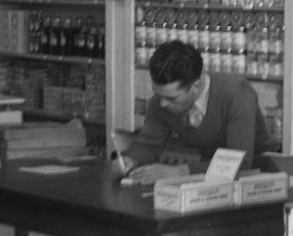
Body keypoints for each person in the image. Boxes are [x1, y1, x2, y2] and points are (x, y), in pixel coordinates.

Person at [114, 40, 271, 183]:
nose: (162, 103)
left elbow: (239, 163)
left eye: (172, 98)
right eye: (158, 94)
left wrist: (178, 172)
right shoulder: (161, 101)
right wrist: (130, 160)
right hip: (208, 179)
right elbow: (148, 145)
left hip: (258, 179)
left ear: (196, 87)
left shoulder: (236, 94)